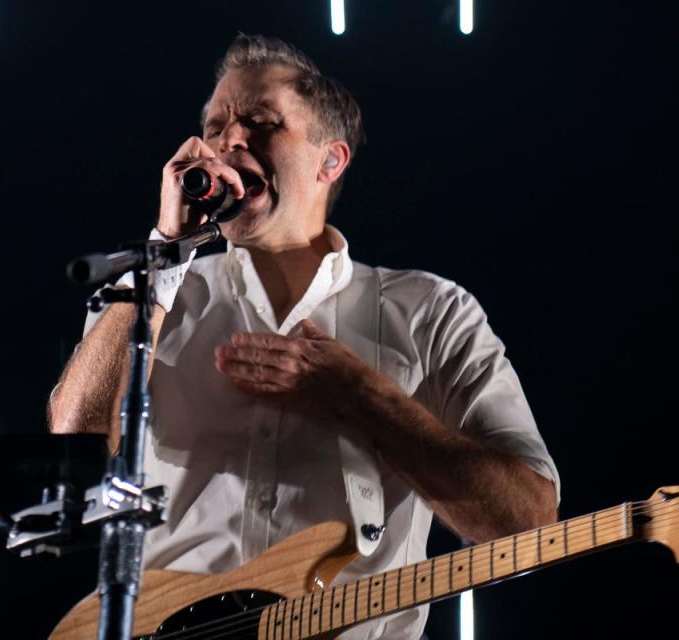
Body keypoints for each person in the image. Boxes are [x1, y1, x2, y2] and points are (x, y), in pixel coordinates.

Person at [49, 34, 560, 639]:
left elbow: (529, 522)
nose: (228, 141)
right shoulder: (154, 294)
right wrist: (163, 254)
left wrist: (361, 396)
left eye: (262, 123)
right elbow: (72, 448)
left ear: (330, 161)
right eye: (215, 126)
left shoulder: (430, 311)